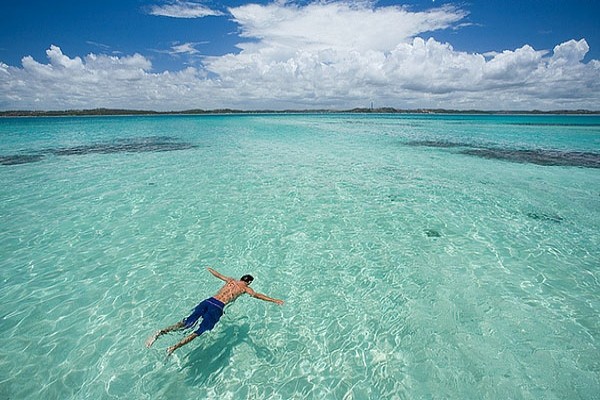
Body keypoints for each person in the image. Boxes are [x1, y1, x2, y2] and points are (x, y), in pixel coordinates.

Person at [145, 267, 284, 355]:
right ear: (248, 282)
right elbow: (257, 295)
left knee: (186, 323)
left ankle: (161, 332)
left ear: (241, 278)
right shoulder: (245, 288)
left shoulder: (230, 281)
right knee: (199, 331)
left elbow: (218, 275)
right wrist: (274, 300)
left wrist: (209, 268)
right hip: (217, 307)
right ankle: (173, 347)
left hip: (208, 300)